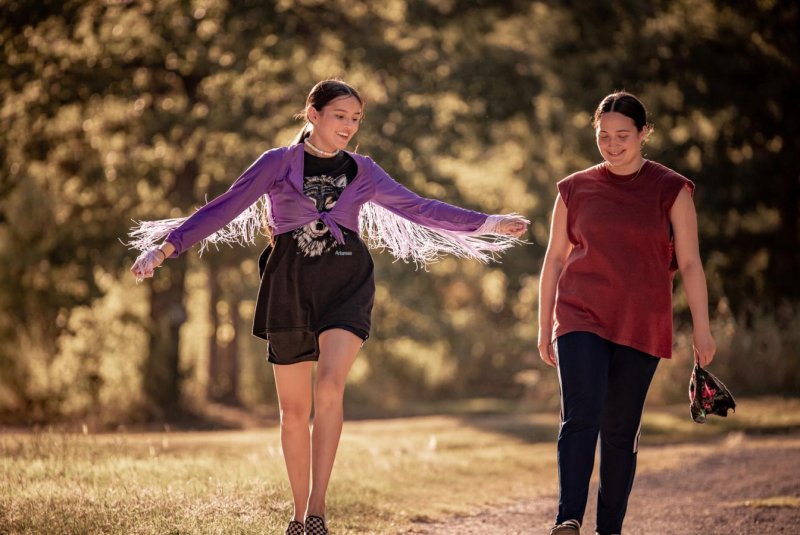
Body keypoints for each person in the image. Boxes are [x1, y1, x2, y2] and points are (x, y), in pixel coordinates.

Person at [129, 79, 528, 535]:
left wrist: (488, 223)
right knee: (294, 413)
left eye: (356, 119)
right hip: (289, 285)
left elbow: (419, 208)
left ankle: (318, 510)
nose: (349, 126)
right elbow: (225, 207)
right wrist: (165, 249)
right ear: (312, 114)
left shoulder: (364, 170)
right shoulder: (277, 163)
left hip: (346, 282)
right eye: (340, 116)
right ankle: (299, 517)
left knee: (331, 386)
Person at [537, 91, 716, 535]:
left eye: (622, 136)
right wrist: (545, 326)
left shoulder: (672, 189)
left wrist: (702, 330)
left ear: (643, 134)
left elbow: (691, 263)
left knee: (619, 430)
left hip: (641, 321)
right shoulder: (573, 188)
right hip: (580, 314)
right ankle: (568, 518)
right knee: (581, 415)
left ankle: (609, 529)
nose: (612, 145)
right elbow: (555, 260)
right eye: (603, 136)